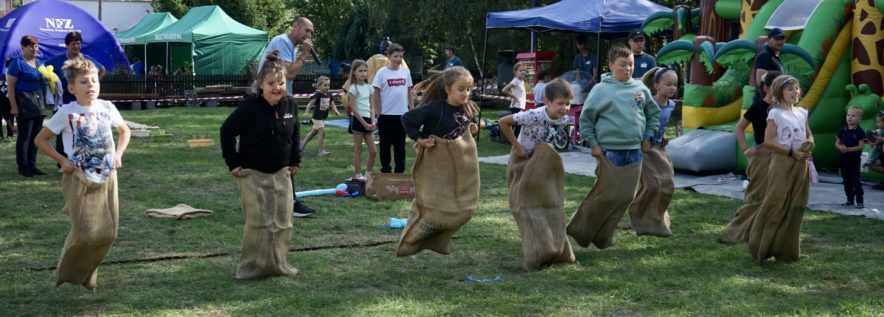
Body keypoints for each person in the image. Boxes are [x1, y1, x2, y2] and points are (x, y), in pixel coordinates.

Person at [34, 57, 131, 290]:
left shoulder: (107, 108)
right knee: (85, 234)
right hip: (79, 178)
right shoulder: (67, 112)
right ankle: (67, 273)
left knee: (108, 234)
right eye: (84, 82)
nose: (91, 86)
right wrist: (62, 161)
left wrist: (118, 155)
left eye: (94, 81)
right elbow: (41, 139)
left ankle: (87, 274)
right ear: (71, 87)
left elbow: (124, 131)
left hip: (108, 177)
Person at [566, 45, 660, 249]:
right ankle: (580, 229)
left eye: (631, 64)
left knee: (626, 196)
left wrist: (648, 136)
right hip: (609, 150)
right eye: (623, 64)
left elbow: (653, 114)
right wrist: (593, 143)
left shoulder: (640, 89)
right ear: (611, 65)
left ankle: (603, 236)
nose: (628, 68)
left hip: (635, 149)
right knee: (606, 196)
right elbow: (587, 119)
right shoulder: (601, 89)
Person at [220, 50, 301, 279]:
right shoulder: (249, 107)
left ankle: (279, 264)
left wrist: (295, 160)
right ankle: (251, 268)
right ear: (261, 85)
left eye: (281, 83)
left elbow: (295, 135)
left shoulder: (290, 106)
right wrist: (232, 163)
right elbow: (226, 131)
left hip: (282, 173)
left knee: (283, 222)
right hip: (253, 173)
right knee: (260, 223)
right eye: (272, 83)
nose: (277, 87)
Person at [397, 66, 479, 256]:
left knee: (460, 206)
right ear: (447, 89)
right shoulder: (435, 108)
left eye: (469, 89)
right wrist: (419, 138)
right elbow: (407, 118)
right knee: (432, 202)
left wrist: (470, 128)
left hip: (458, 164)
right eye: (461, 89)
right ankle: (413, 240)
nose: (466, 93)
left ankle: (439, 240)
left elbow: (460, 128)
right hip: (436, 162)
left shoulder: (466, 107)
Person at [499, 79, 577, 271]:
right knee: (525, 206)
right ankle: (535, 252)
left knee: (550, 204)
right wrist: (516, 146)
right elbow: (503, 122)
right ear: (547, 101)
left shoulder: (564, 119)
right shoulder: (533, 115)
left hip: (543, 163)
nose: (565, 108)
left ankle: (557, 249)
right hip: (523, 160)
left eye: (568, 104)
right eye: (560, 103)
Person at [747, 75, 813, 262]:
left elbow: (809, 135)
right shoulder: (775, 114)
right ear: (780, 92)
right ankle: (759, 247)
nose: (795, 92)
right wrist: (792, 152)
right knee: (775, 202)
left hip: (802, 162)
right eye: (790, 89)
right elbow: (769, 142)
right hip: (783, 161)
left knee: (795, 205)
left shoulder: (801, 113)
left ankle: (788, 251)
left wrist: (808, 146)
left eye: (797, 88)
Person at [258, 17, 316, 217]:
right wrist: (305, 54)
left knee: (286, 148)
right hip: (270, 102)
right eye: (307, 31)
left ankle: (287, 200)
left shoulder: (288, 45)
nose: (309, 36)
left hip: (280, 102)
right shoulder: (282, 41)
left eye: (311, 33)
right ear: (295, 27)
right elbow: (289, 74)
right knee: (281, 148)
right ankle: (287, 202)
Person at [722, 70, 781, 243]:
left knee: (774, 195)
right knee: (756, 195)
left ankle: (765, 230)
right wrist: (746, 149)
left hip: (780, 154)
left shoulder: (782, 108)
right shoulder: (758, 107)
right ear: (766, 87)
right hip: (761, 154)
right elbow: (739, 128)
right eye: (778, 85)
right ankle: (740, 229)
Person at [627, 67, 679, 238]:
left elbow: (660, 125)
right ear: (656, 85)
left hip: (659, 148)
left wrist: (663, 136)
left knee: (666, 183)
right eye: (668, 84)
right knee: (653, 184)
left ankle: (656, 219)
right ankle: (639, 215)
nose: (672, 88)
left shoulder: (671, 105)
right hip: (645, 148)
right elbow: (637, 118)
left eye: (675, 85)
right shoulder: (648, 102)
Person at [46, 31, 107, 171]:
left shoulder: (85, 59)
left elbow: (102, 69)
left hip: (82, 102)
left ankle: (83, 160)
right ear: (67, 45)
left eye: (78, 43)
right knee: (62, 132)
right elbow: (43, 69)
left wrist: (92, 85)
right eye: (73, 43)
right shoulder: (59, 59)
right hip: (63, 101)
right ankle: (62, 163)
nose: (76, 46)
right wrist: (50, 82)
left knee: (82, 131)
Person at [6, 35, 47, 177]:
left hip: (38, 102)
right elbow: (10, 87)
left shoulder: (40, 63)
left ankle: (32, 165)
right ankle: (23, 168)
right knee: (25, 136)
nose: (34, 49)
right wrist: (13, 106)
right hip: (23, 102)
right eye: (31, 46)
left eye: (36, 46)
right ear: (23, 47)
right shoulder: (17, 62)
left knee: (36, 136)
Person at [371, 43, 413, 174]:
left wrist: (412, 110)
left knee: (400, 146)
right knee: (385, 146)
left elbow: (409, 91)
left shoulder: (405, 72)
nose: (398, 59)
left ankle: (400, 171)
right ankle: (386, 171)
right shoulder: (381, 73)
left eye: (400, 56)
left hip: (402, 115)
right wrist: (379, 113)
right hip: (386, 115)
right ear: (388, 56)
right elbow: (376, 94)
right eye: (395, 56)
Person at [347, 60, 376, 179]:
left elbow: (372, 106)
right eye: (360, 71)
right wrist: (364, 123)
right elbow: (353, 108)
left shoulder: (370, 88)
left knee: (373, 151)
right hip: (358, 121)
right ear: (354, 72)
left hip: (368, 121)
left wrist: (373, 121)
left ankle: (368, 174)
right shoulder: (353, 88)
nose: (363, 73)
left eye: (365, 70)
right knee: (358, 149)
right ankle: (358, 175)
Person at [835, 105, 867, 208]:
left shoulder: (860, 132)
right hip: (843, 159)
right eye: (848, 115)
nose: (849, 117)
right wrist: (840, 148)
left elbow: (861, 146)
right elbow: (836, 143)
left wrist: (848, 149)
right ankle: (849, 200)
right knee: (846, 181)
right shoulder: (842, 129)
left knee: (855, 181)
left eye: (853, 116)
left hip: (854, 160)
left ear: (859, 119)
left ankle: (860, 201)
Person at [301, 76, 340, 156]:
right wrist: (306, 112)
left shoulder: (329, 95)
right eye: (325, 85)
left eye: (328, 85)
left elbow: (332, 104)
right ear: (319, 86)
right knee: (322, 133)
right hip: (317, 117)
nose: (327, 87)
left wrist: (336, 110)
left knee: (313, 133)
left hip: (322, 118)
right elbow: (310, 103)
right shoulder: (318, 95)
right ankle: (321, 151)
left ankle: (302, 146)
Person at [753, 28, 786, 102]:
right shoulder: (765, 56)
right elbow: (760, 82)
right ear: (768, 40)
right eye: (777, 39)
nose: (780, 41)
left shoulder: (774, 56)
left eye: (782, 39)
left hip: (772, 99)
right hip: (764, 101)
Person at [501, 62, 527, 136]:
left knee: (519, 127)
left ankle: (515, 143)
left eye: (524, 70)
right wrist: (514, 97)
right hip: (516, 107)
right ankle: (515, 143)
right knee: (517, 127)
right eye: (520, 70)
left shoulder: (521, 81)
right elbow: (504, 90)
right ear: (515, 72)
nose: (523, 72)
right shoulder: (515, 80)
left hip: (520, 106)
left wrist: (513, 95)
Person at [866, 111, 884, 190]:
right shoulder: (879, 130)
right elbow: (873, 145)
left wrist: (882, 140)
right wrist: (873, 141)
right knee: (871, 164)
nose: (877, 124)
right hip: (881, 154)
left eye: (878, 122)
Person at [0, 58, 14, 140]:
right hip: (6, 97)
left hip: (6, 97)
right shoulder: (4, 74)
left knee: (9, 114)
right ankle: (9, 134)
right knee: (9, 114)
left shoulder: (5, 74)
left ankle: (10, 134)